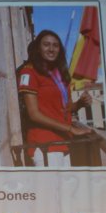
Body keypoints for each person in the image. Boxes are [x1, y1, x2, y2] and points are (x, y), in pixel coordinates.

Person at [17, 30, 92, 167]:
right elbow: (34, 114)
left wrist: (80, 103)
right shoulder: (29, 71)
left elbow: (65, 108)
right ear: (38, 48)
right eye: (46, 44)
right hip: (45, 145)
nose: (51, 49)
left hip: (64, 142)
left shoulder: (60, 74)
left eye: (55, 45)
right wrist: (70, 129)